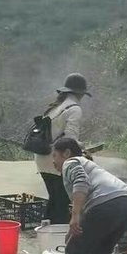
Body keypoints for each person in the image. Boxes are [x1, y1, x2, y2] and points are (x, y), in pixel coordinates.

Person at [52, 137, 127, 254]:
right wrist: (73, 229)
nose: (53, 161)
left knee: (74, 253)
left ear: (66, 153)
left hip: (105, 205)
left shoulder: (70, 162)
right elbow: (87, 207)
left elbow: (81, 182)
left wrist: (75, 216)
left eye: (55, 156)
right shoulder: (88, 165)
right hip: (126, 203)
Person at [34, 73, 90, 224]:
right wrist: (82, 148)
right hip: (57, 160)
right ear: (80, 93)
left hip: (43, 158)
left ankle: (46, 229)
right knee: (63, 204)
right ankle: (58, 233)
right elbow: (70, 139)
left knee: (55, 199)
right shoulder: (74, 109)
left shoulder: (57, 106)